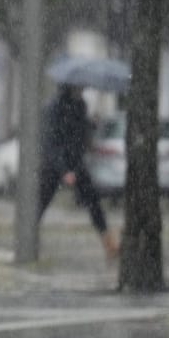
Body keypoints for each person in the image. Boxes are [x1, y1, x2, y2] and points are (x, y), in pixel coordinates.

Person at [36, 83, 118, 261]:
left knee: (93, 202)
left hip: (76, 163)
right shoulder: (54, 108)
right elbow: (52, 142)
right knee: (40, 203)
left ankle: (108, 242)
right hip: (54, 165)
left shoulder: (80, 105)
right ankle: (29, 241)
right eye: (78, 86)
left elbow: (80, 135)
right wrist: (64, 170)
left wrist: (92, 125)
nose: (81, 89)